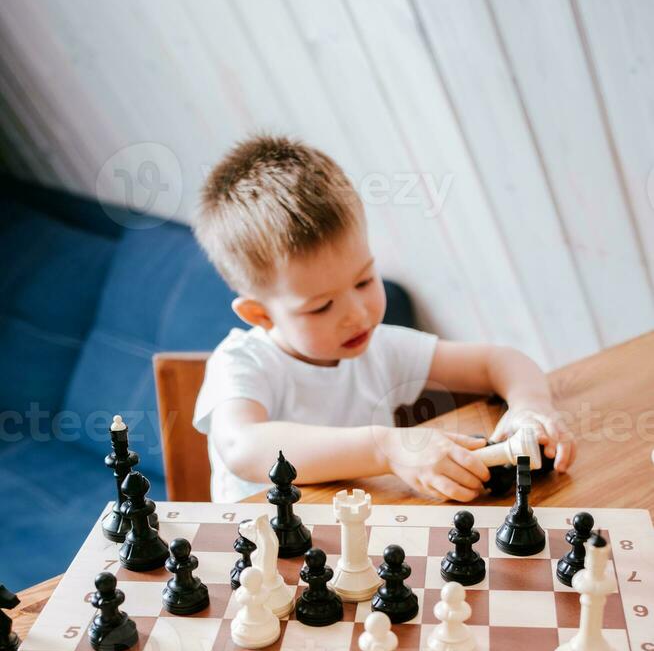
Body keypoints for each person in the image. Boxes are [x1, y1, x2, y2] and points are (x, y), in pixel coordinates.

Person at [193, 134, 575, 503]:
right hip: (259, 548)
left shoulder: (381, 347)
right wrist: (385, 448)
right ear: (260, 315)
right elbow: (241, 445)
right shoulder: (242, 363)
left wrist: (529, 406)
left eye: (363, 281)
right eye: (321, 306)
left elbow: (499, 361)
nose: (357, 314)